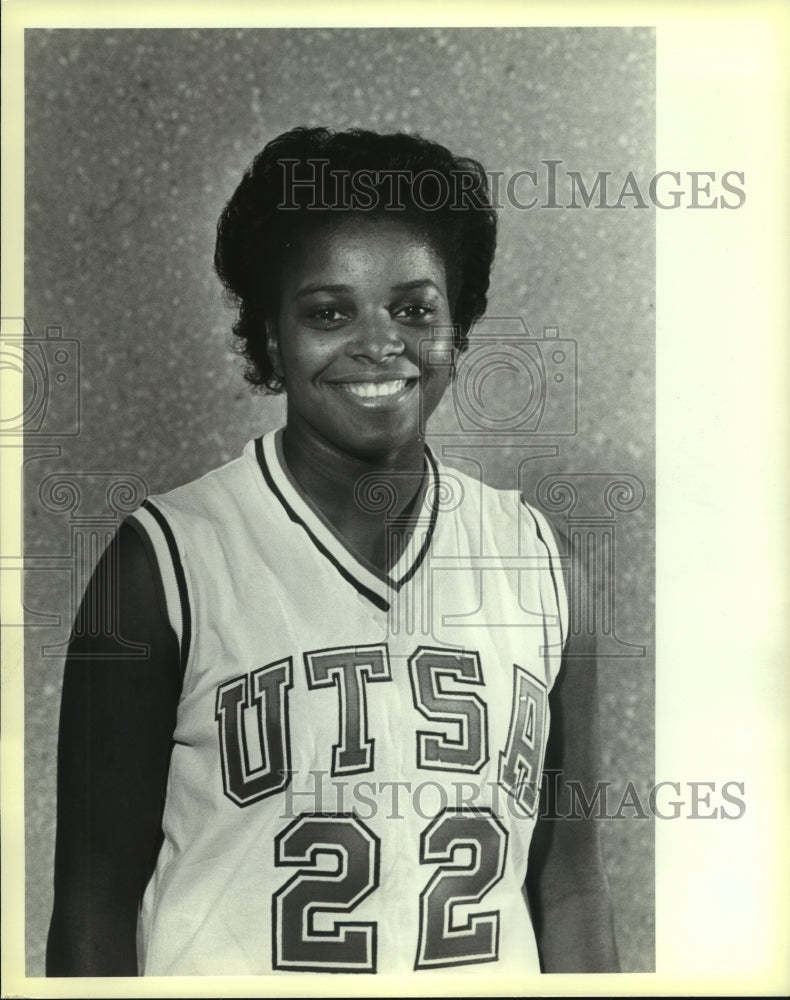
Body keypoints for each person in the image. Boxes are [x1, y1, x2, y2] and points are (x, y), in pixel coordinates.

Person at [46, 126, 619, 977]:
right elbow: (92, 906)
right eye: (328, 311)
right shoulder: (162, 564)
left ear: (458, 329)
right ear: (271, 336)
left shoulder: (540, 561)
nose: (378, 343)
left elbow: (568, 883)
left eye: (415, 308)